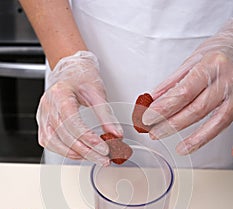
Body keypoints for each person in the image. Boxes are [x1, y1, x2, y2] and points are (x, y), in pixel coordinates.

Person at [19, 0, 233, 168]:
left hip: (217, 57)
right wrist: (69, 60)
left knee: (203, 205)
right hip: (84, 35)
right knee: (80, 193)